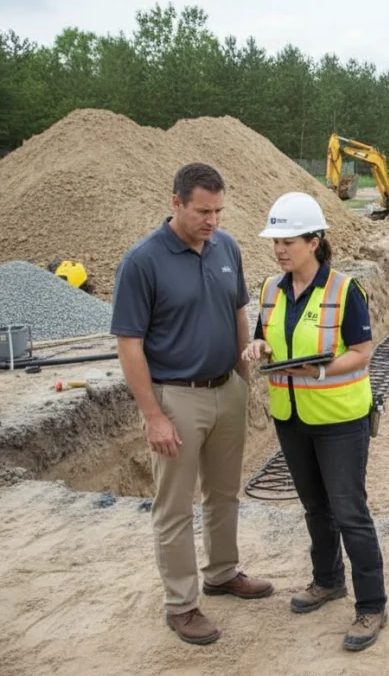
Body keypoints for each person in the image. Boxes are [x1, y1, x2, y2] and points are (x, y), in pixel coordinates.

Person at [111, 163, 274, 647]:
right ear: (176, 203)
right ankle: (181, 605)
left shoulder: (226, 248)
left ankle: (222, 573)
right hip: (176, 397)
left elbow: (238, 310)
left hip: (226, 388)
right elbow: (129, 345)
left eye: (219, 211)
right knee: (175, 507)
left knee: (223, 493)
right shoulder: (142, 261)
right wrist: (153, 416)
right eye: (203, 211)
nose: (213, 221)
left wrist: (243, 379)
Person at [242, 191, 388, 652]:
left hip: (340, 419)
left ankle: (372, 605)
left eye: (290, 240)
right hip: (291, 416)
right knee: (314, 508)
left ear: (315, 240)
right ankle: (327, 581)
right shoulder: (270, 288)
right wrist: (258, 346)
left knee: (350, 512)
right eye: (276, 241)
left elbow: (363, 352)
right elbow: (267, 336)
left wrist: (321, 370)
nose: (281, 248)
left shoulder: (345, 291)